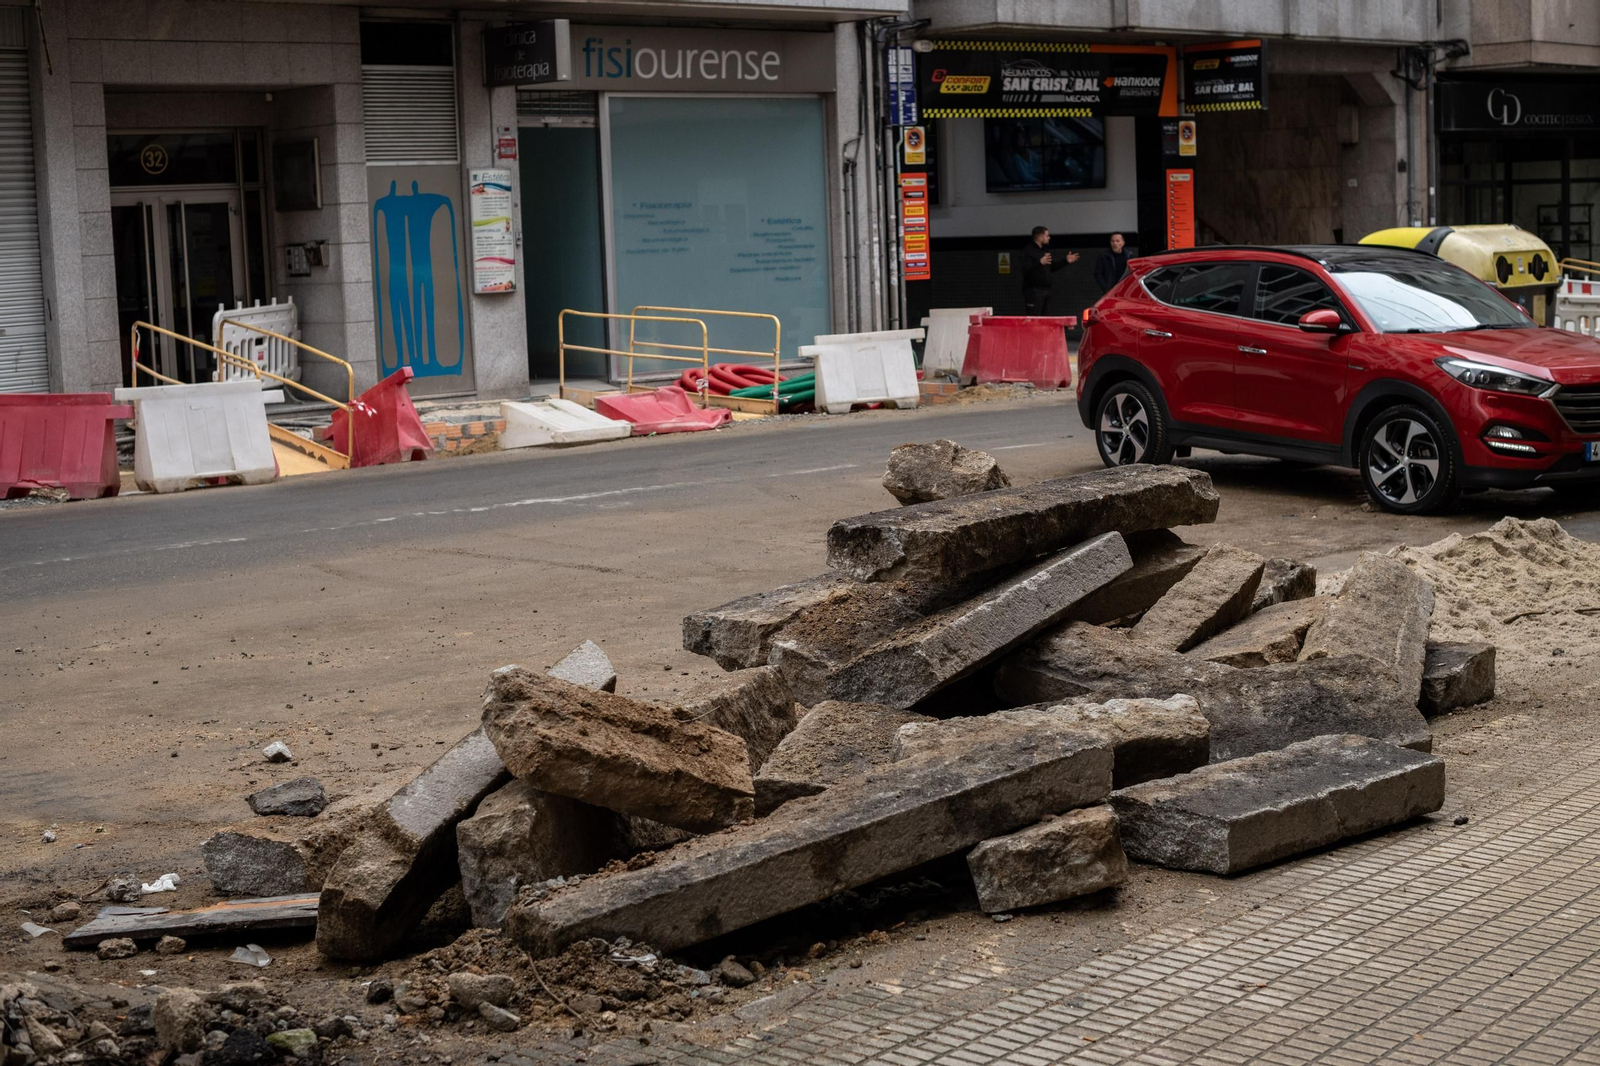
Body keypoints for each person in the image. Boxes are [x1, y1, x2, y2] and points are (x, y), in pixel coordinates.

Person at [1020, 226, 1078, 314]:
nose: (1049, 238)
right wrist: (1039, 262)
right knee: (1034, 317)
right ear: (1040, 236)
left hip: (1046, 290)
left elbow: (1051, 267)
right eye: (1047, 236)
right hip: (1033, 291)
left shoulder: (1045, 251)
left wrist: (1066, 261)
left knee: (1046, 318)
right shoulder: (1028, 251)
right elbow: (1025, 269)